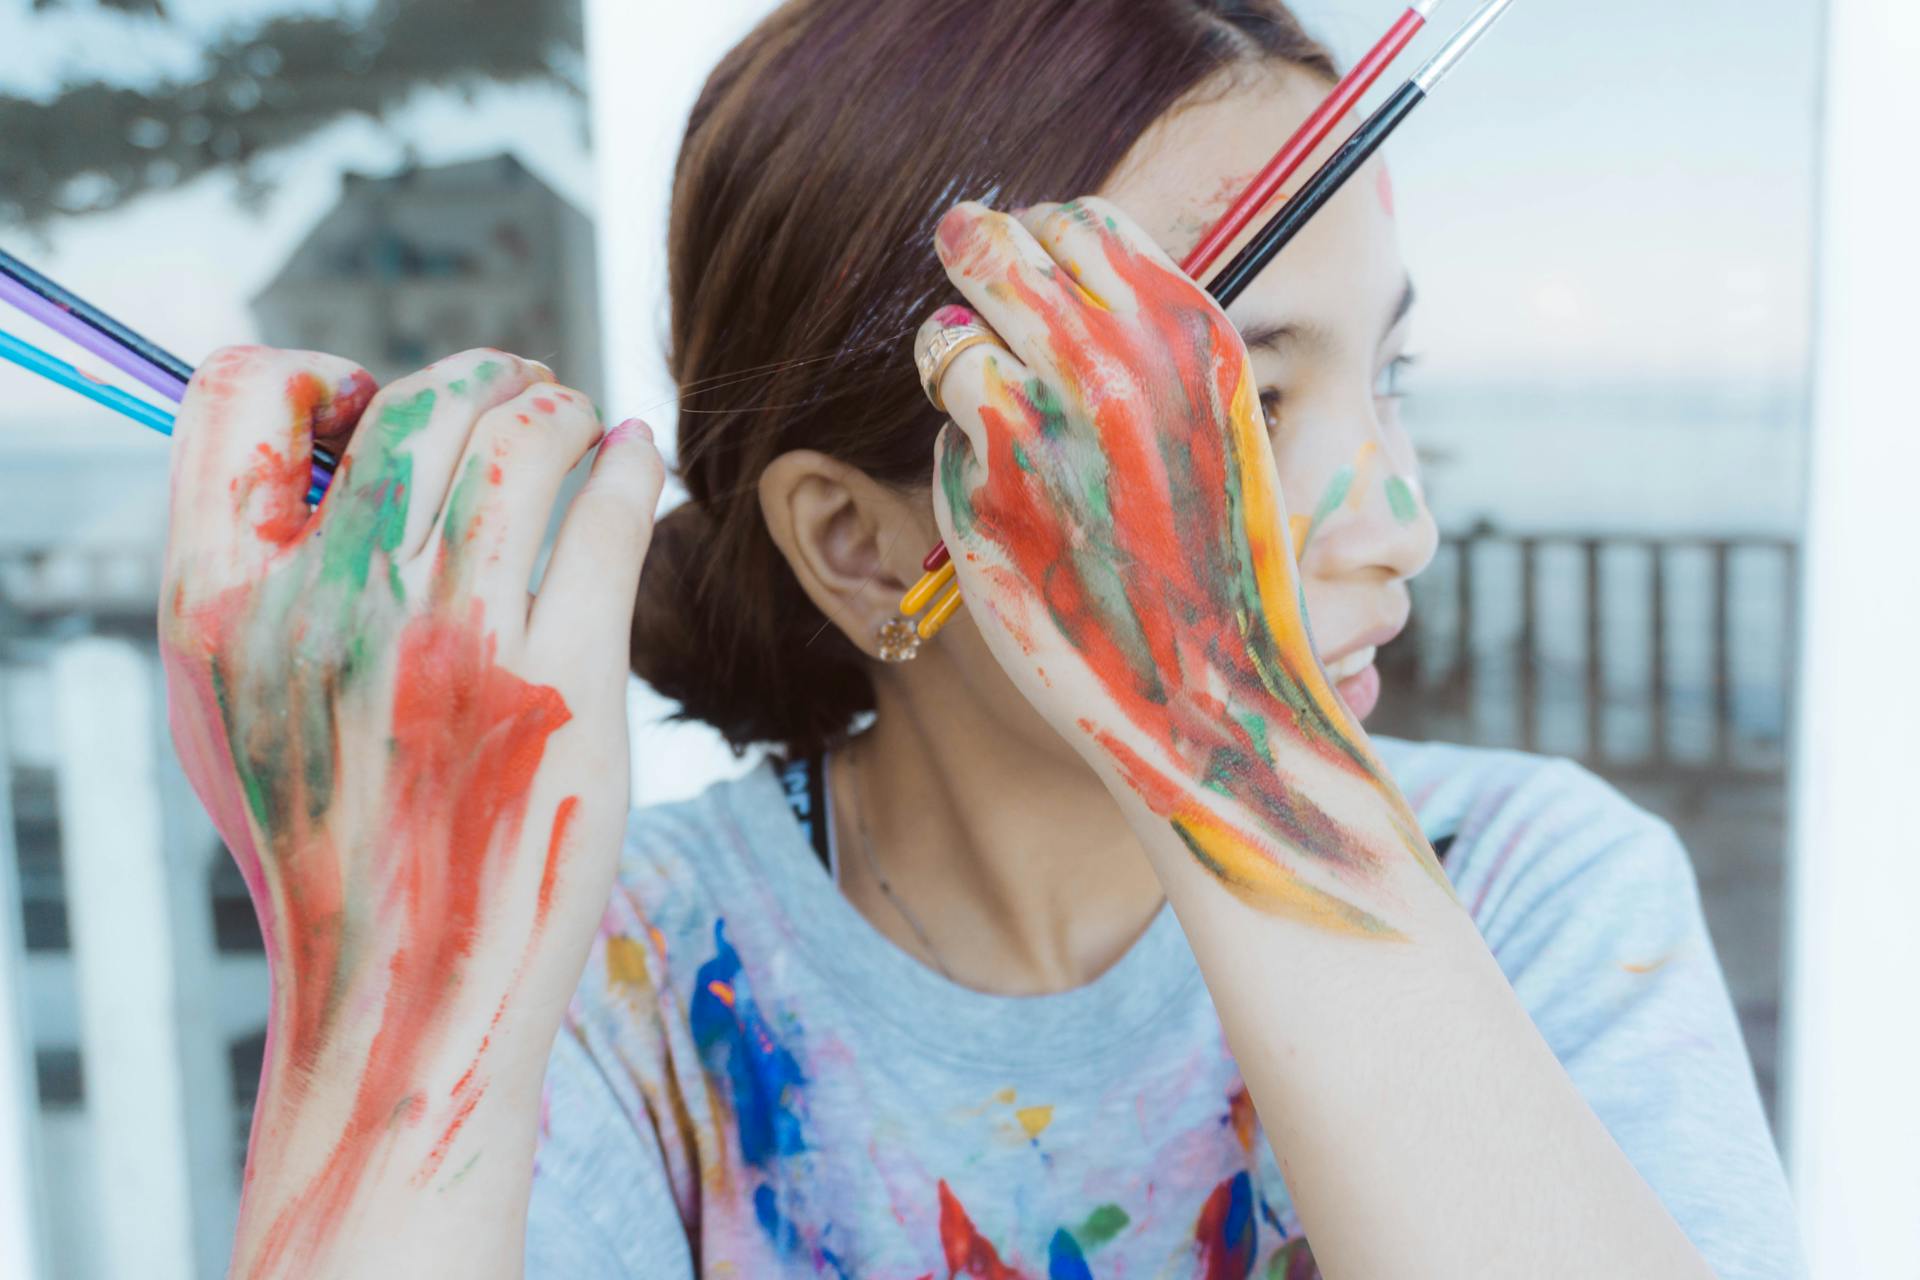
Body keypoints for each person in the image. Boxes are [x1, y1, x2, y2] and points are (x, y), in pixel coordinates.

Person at [159, 1, 1802, 1276]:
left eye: (1390, 379)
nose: (1395, 513)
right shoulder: (608, 988)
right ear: (863, 546)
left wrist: (1227, 733)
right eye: (1234, 398)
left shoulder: (1539, 892)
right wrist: (388, 1004)